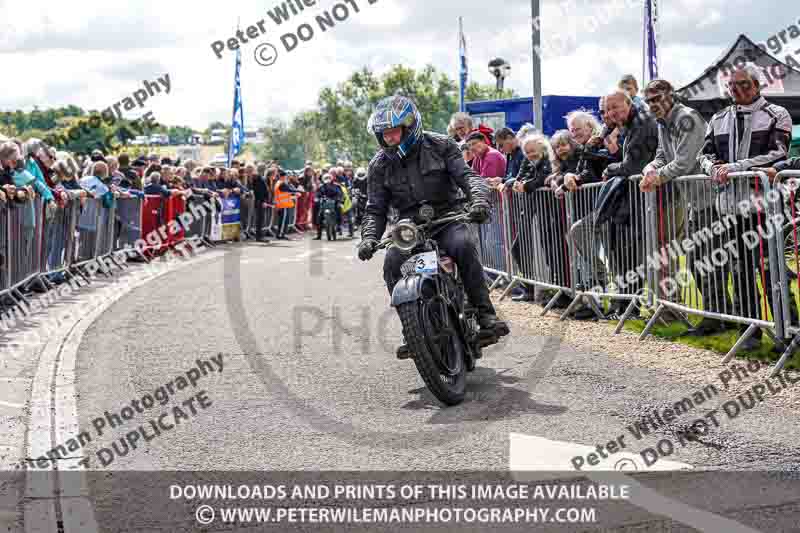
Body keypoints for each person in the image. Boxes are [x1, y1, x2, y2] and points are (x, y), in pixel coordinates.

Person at [357, 95, 508, 353]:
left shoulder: (441, 145)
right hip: (408, 227)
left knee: (462, 245)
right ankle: (411, 331)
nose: (390, 139)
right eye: (385, 135)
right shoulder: (379, 165)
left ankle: (486, 315)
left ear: (409, 127)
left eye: (394, 132)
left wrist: (479, 202)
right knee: (392, 262)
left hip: (447, 215)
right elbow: (375, 209)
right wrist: (369, 237)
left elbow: (468, 177)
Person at [698, 64, 794, 351]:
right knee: (739, 272)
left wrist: (735, 168)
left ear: (757, 85)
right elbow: (705, 155)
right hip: (729, 209)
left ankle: (790, 332)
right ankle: (749, 332)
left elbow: (779, 153)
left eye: (744, 84)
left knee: (772, 272)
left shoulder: (777, 114)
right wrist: (711, 167)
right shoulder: (718, 118)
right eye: (732, 85)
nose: (737, 90)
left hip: (765, 210)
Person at [601, 88, 660, 317]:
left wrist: (610, 169)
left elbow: (633, 166)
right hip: (630, 199)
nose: (612, 113)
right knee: (622, 253)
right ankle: (625, 304)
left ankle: (633, 306)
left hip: (642, 199)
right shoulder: (628, 124)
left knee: (634, 254)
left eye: (616, 107)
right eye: (607, 110)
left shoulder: (642, 123)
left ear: (629, 102)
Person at [273, 168, 301, 240]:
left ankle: (282, 234)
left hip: (284, 205)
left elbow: (287, 193)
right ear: (283, 176)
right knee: (283, 221)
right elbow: (289, 190)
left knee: (284, 221)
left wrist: (294, 194)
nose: (287, 178)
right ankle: (280, 235)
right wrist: (298, 191)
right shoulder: (281, 183)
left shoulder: (281, 183)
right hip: (283, 205)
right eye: (286, 176)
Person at [313, 173, 342, 240]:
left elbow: (340, 194)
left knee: (339, 208)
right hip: (324, 203)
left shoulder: (336, 186)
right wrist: (317, 198)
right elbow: (317, 194)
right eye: (326, 178)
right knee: (319, 216)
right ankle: (319, 235)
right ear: (323, 179)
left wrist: (339, 199)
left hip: (334, 202)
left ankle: (339, 225)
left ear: (331, 178)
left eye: (329, 178)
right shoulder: (321, 186)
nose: (327, 179)